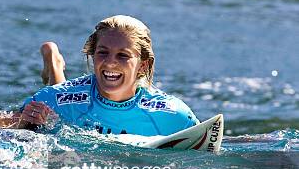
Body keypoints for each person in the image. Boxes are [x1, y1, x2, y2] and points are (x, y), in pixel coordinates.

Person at [13, 15, 199, 136]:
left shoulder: (172, 114)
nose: (110, 62)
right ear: (93, 56)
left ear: (143, 65)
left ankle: (55, 67)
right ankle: (54, 66)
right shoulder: (51, 98)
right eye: (102, 52)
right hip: (66, 99)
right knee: (58, 105)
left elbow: (206, 142)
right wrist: (24, 126)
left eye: (123, 55)